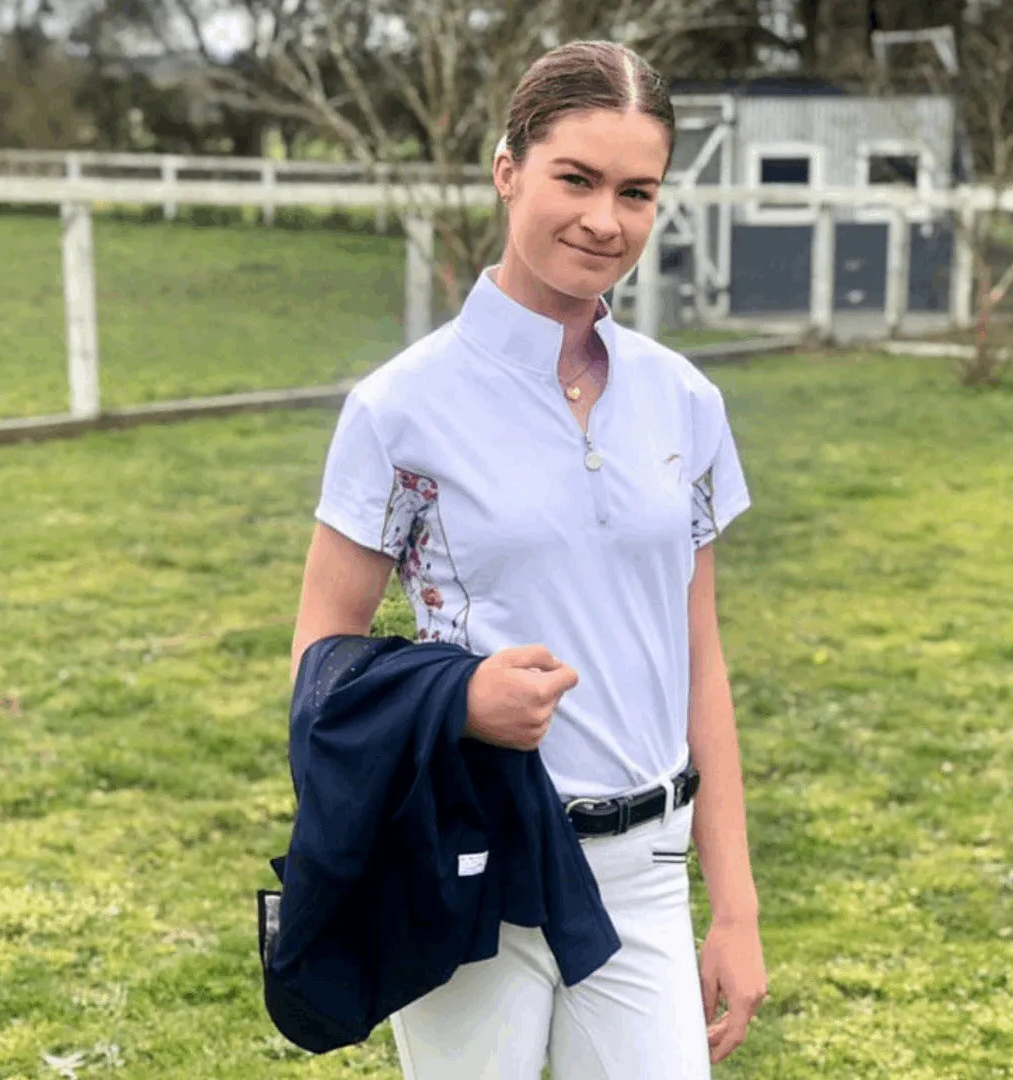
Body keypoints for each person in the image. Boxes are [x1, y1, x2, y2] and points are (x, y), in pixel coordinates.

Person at [290, 38, 767, 1080]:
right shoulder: (398, 409)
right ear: (508, 169)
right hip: (473, 860)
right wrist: (458, 702)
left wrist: (733, 907)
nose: (607, 219)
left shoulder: (685, 399)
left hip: (645, 870)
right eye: (577, 178)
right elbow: (319, 666)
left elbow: (702, 660)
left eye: (637, 191)